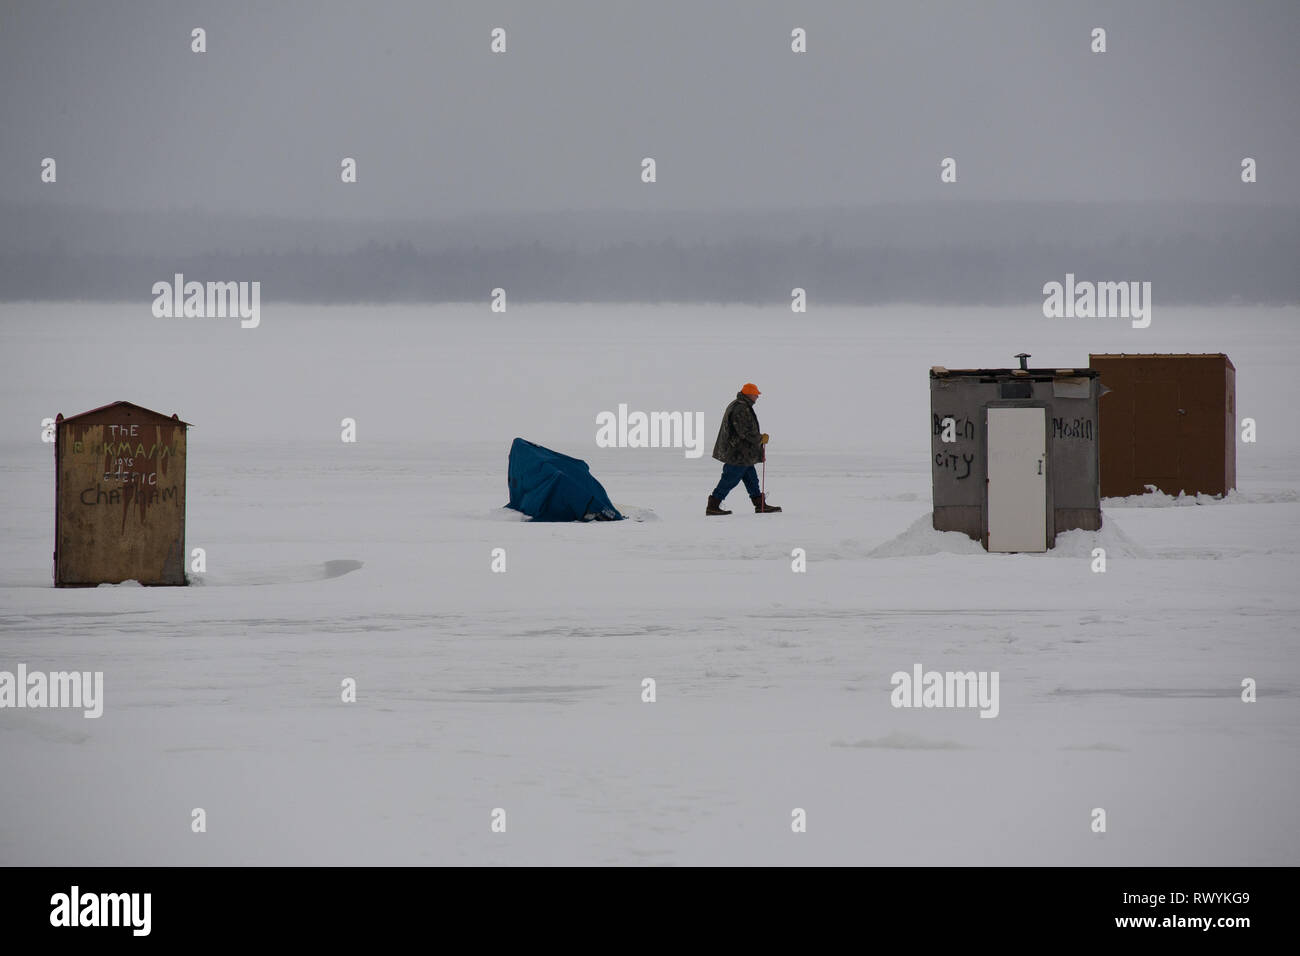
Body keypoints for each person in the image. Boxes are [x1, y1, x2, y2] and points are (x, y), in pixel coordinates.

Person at [707, 383, 782, 515]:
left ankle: (760, 505)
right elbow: (744, 432)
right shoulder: (741, 408)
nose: (757, 397)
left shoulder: (740, 405)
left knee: (752, 479)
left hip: (743, 454)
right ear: (748, 394)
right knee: (729, 479)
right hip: (737, 454)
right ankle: (713, 505)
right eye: (755, 394)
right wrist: (760, 438)